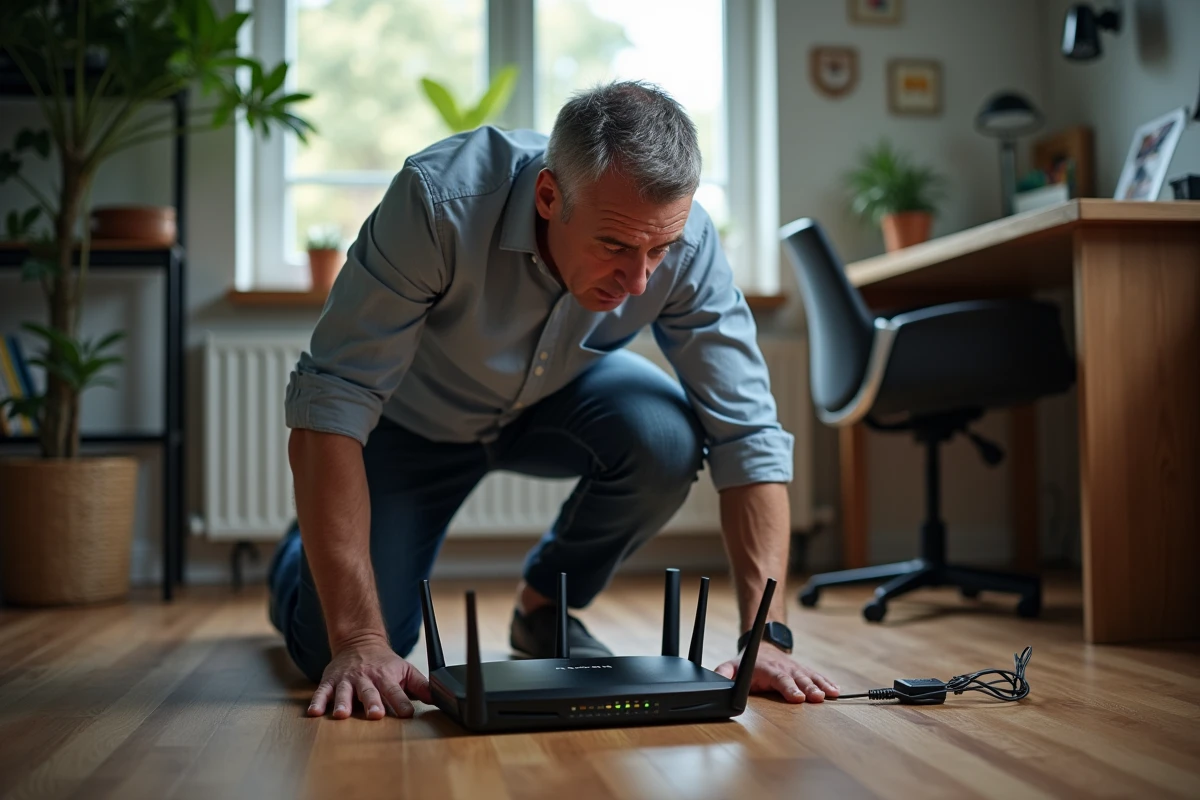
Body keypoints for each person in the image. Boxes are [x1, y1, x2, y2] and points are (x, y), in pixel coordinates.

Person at [268, 80, 840, 722]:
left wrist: (767, 638)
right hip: (410, 425)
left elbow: (748, 433)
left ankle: (543, 607)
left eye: (659, 251)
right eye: (614, 246)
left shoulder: (689, 241)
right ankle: (301, 552)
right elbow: (334, 397)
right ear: (548, 197)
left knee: (666, 438)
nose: (639, 281)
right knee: (339, 648)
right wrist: (357, 639)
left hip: (553, 402)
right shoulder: (438, 202)